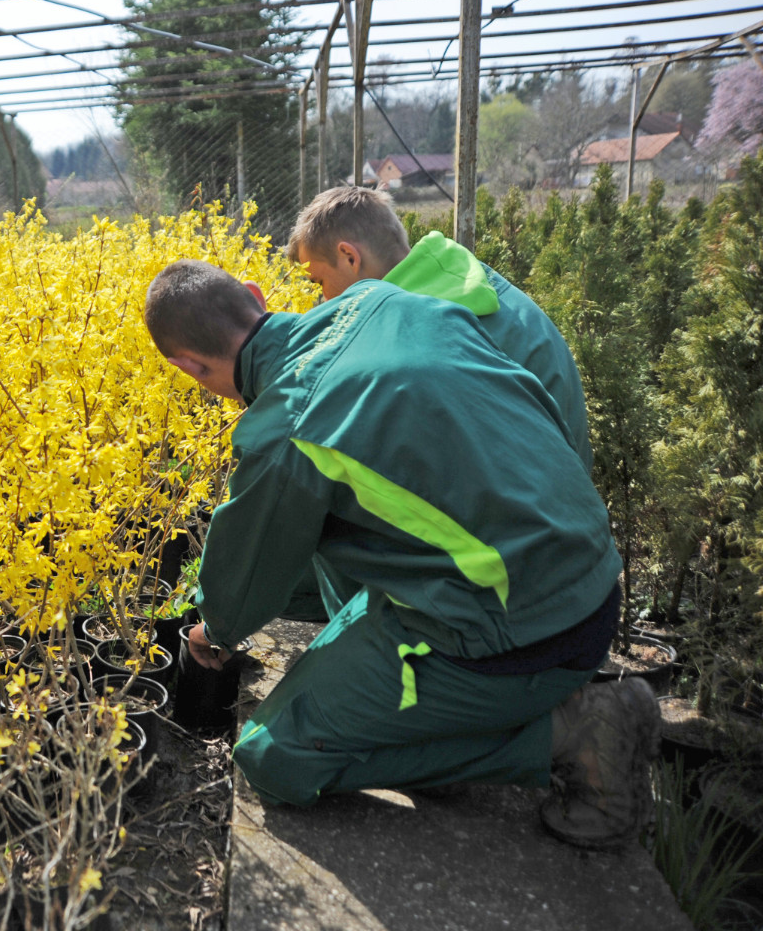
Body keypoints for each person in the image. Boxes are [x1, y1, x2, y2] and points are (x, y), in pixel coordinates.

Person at [144, 258, 658, 849]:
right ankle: (444, 721)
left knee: (273, 754)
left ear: (186, 365)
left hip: (527, 633)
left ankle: (576, 735)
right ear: (256, 296)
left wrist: (214, 631)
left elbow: (242, 580)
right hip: (585, 574)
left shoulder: (290, 424)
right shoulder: (384, 302)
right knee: (320, 559)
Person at [282, 186, 592, 621]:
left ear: (350, 257)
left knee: (329, 505)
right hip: (565, 527)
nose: (319, 301)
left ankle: (366, 652)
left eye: (318, 282)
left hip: (520, 564)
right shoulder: (464, 280)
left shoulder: (418, 331)